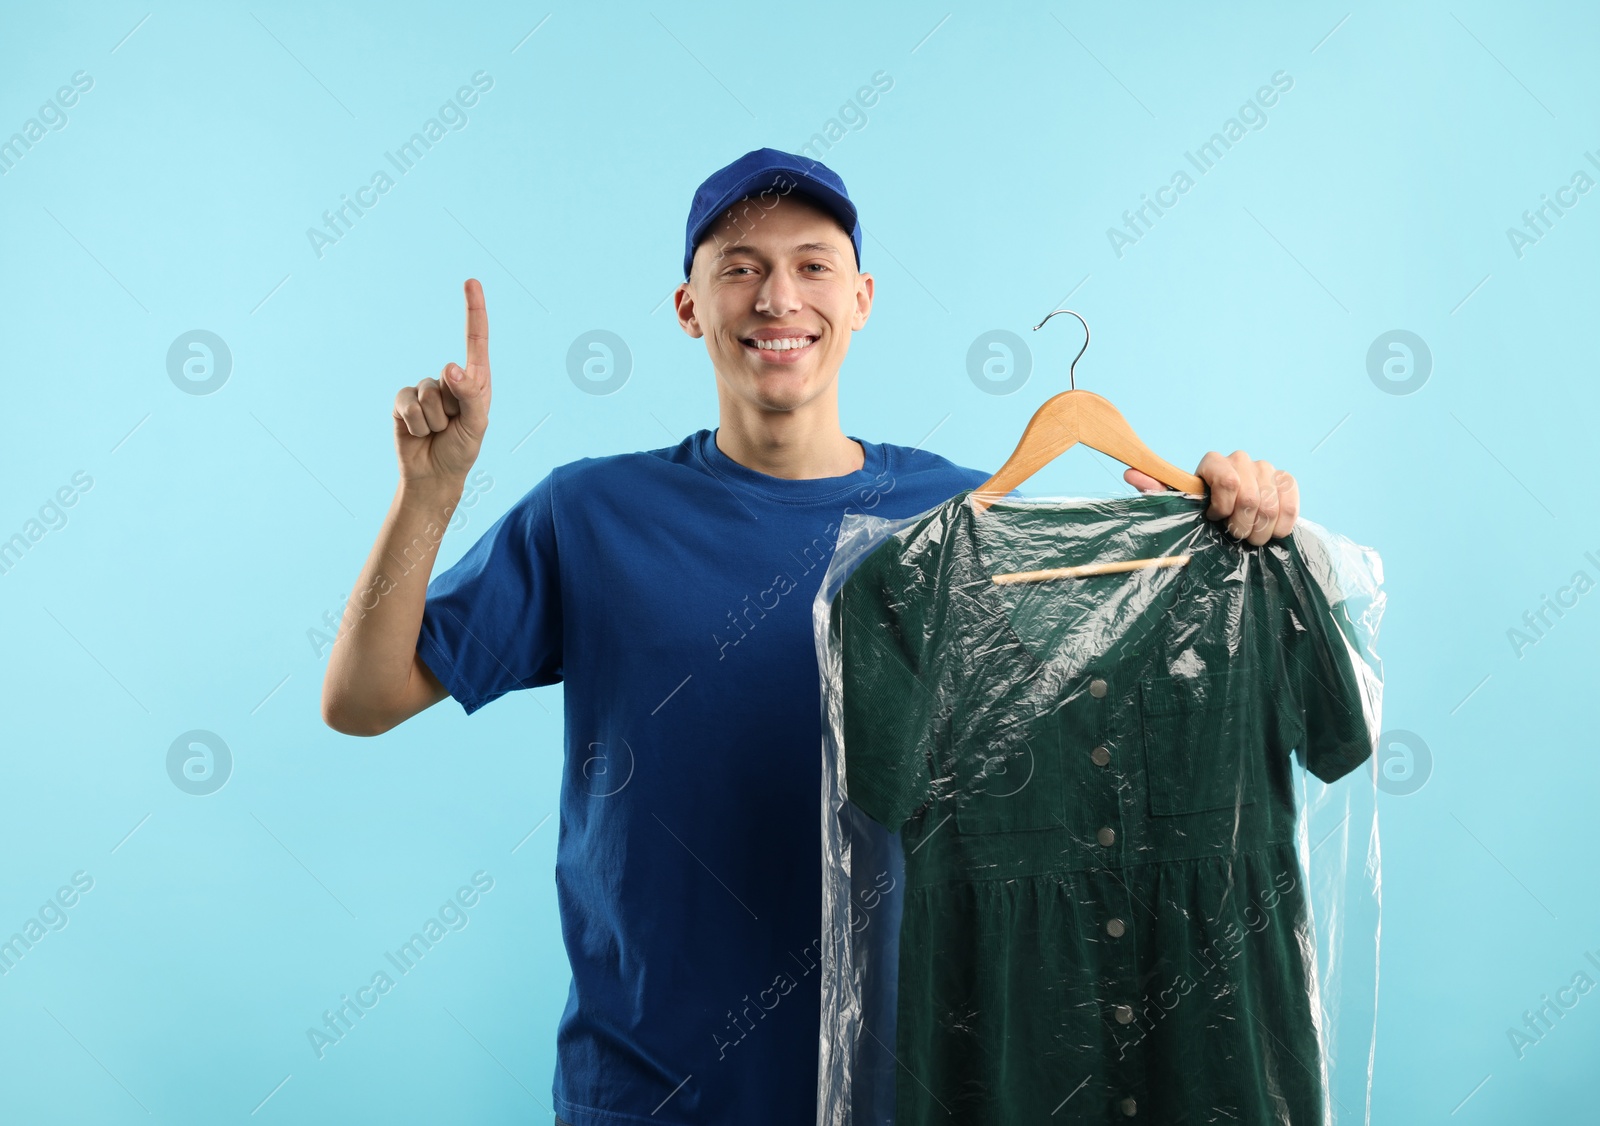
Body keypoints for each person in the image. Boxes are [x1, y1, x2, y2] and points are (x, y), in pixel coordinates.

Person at [319, 148, 1301, 1126]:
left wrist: (1226, 538)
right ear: (688, 306)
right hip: (651, 1095)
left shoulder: (960, 519)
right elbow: (360, 699)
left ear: (862, 296)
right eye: (739, 266)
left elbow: (1096, 751)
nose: (776, 296)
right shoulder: (591, 514)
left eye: (812, 264)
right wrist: (428, 497)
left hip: (912, 1088)